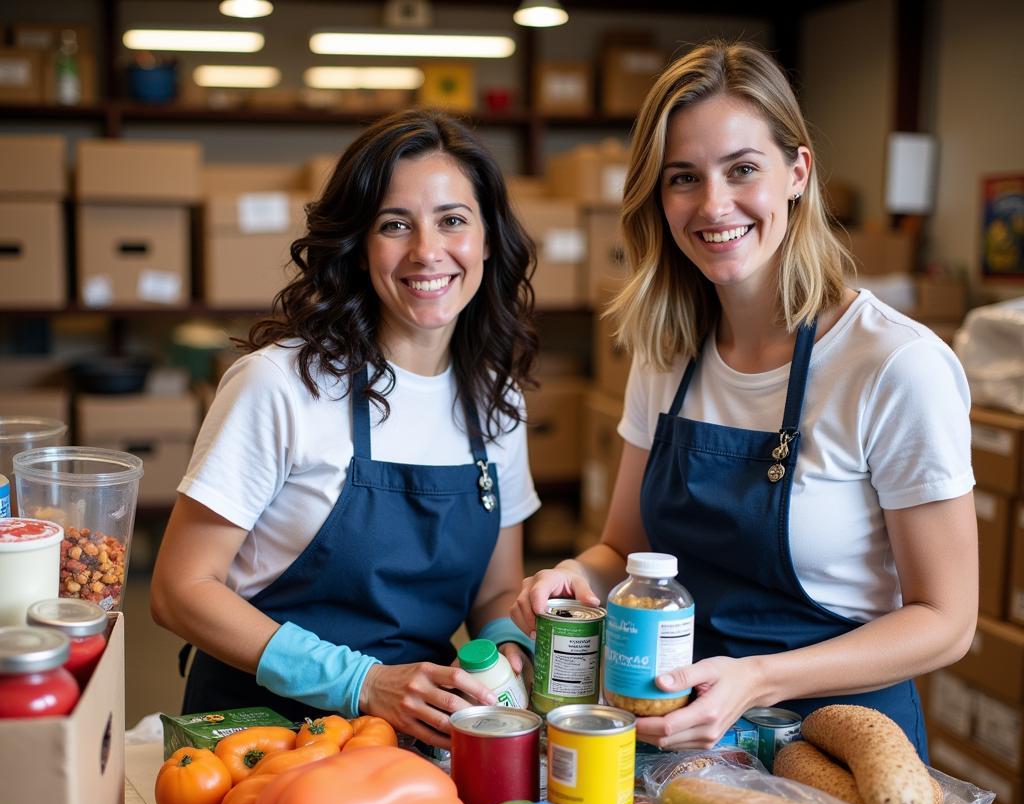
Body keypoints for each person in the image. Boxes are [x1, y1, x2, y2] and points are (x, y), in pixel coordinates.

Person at [512, 40, 977, 758]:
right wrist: (574, 576)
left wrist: (758, 680)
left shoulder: (893, 365)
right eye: (683, 178)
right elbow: (625, 548)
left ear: (797, 172)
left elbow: (947, 620)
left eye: (742, 170)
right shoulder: (667, 351)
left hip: (841, 748)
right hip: (685, 736)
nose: (713, 204)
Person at [151, 109, 540, 748]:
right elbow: (178, 590)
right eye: (395, 225)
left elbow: (495, 591)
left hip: (413, 746)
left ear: (488, 239)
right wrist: (361, 682)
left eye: (452, 220)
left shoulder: (496, 402)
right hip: (259, 739)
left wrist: (507, 651)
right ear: (359, 248)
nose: (427, 251)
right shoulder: (280, 386)